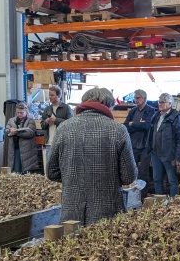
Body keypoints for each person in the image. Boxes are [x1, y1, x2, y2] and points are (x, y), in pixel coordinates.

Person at [47, 87, 137, 225]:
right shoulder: (118, 130)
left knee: (71, 246)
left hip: (71, 213)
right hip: (107, 213)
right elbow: (128, 177)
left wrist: (73, 179)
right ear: (108, 105)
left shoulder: (63, 128)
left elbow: (52, 172)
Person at [148, 93, 180, 197]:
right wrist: (150, 151)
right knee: (157, 180)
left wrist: (179, 157)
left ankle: (174, 204)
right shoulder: (156, 116)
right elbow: (151, 134)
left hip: (170, 155)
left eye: (162, 102)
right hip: (156, 154)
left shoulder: (176, 117)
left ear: (170, 104)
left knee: (172, 181)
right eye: (159, 102)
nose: (159, 104)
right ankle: (159, 204)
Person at [123, 89, 156, 197]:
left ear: (144, 98)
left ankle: (143, 196)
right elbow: (126, 126)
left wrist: (134, 124)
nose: (135, 100)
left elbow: (147, 126)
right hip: (133, 145)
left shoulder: (150, 111)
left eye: (138, 98)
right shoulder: (132, 111)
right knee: (131, 170)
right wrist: (136, 125)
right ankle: (132, 195)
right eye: (135, 98)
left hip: (144, 145)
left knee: (144, 172)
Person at [5, 103, 37, 174]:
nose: (19, 114)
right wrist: (10, 130)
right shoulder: (11, 120)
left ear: (26, 112)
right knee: (16, 169)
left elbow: (30, 133)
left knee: (26, 171)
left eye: (21, 113)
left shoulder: (30, 121)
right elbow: (6, 130)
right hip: (14, 148)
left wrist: (17, 133)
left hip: (27, 150)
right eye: (18, 113)